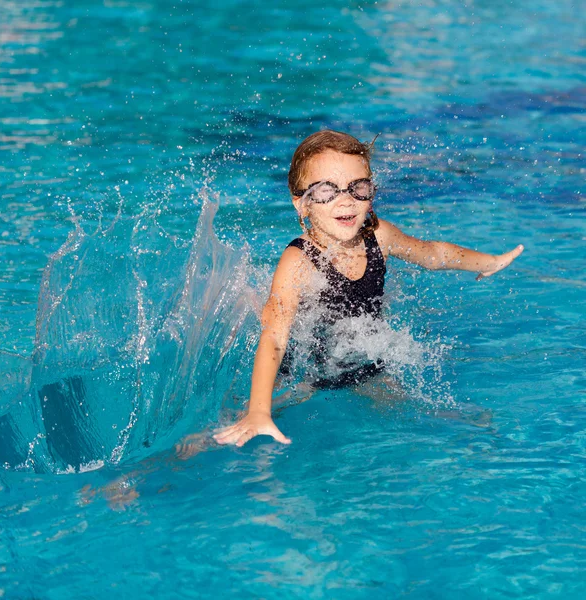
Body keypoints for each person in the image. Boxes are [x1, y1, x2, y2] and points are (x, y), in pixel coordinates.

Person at [213, 130, 523, 448]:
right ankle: (189, 446)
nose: (345, 200)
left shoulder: (380, 237)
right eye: (325, 191)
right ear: (301, 203)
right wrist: (258, 412)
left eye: (358, 188)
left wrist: (489, 262)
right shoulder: (299, 261)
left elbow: (433, 254)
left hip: (361, 365)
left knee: (429, 421)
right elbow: (275, 334)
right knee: (234, 426)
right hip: (300, 373)